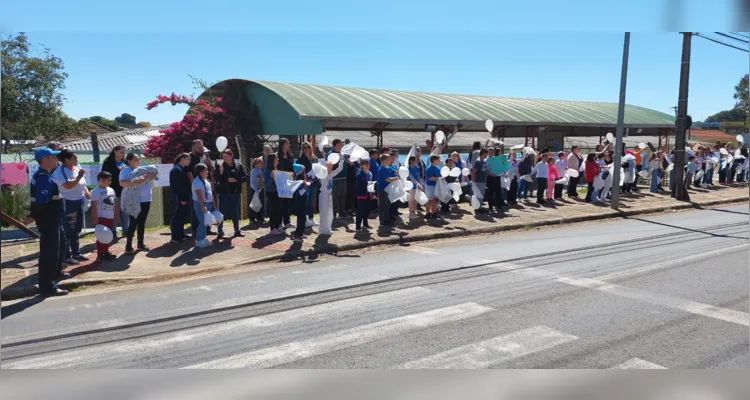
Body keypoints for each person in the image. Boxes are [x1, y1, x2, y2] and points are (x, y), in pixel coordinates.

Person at [31, 147, 69, 296]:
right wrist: (32, 216)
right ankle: (47, 287)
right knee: (49, 254)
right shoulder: (43, 177)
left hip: (53, 220)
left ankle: (54, 277)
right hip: (48, 221)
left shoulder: (47, 175)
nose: (56, 159)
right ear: (46, 159)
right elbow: (41, 202)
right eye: (53, 157)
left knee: (57, 250)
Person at [52, 149, 91, 265]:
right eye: (74, 158)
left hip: (78, 201)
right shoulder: (60, 171)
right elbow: (68, 185)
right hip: (67, 203)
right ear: (66, 160)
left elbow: (82, 183)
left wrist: (86, 191)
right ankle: (67, 255)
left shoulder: (76, 167)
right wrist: (79, 177)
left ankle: (76, 253)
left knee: (77, 228)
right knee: (69, 229)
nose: (77, 160)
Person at [120, 153, 156, 253]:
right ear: (129, 161)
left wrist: (147, 175)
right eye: (136, 159)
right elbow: (122, 183)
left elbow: (155, 175)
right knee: (133, 223)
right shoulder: (125, 170)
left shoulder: (143, 169)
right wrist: (136, 181)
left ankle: (140, 244)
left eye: (139, 159)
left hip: (146, 199)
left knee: (142, 222)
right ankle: (128, 246)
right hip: (134, 200)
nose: (138, 161)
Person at [215, 148, 247, 238]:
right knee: (221, 212)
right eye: (223, 157)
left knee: (235, 211)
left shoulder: (238, 165)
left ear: (231, 155)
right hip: (224, 192)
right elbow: (216, 178)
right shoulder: (220, 165)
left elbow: (245, 177)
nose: (225, 158)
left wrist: (236, 180)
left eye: (226, 156)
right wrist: (221, 174)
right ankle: (220, 232)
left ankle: (237, 230)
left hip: (235, 192)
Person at [187, 139, 215, 237]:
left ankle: (207, 229)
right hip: (197, 187)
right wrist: (195, 187)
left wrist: (207, 159)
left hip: (205, 186)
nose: (200, 149)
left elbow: (211, 168)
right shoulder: (189, 157)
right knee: (197, 210)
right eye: (198, 147)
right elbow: (189, 173)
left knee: (208, 207)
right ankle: (196, 230)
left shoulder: (203, 156)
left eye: (201, 147)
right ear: (193, 147)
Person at [90, 171, 119, 263]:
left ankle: (105, 251)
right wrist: (95, 218)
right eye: (108, 180)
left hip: (110, 216)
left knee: (108, 235)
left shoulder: (111, 190)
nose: (110, 182)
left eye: (110, 180)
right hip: (101, 217)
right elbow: (94, 206)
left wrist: (116, 215)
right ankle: (100, 254)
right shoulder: (95, 191)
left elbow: (114, 204)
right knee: (101, 236)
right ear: (101, 180)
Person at [101, 145, 128, 239]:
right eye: (121, 152)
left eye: (124, 152)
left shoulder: (125, 162)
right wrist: (119, 171)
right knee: (113, 212)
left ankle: (126, 231)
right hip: (113, 191)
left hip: (124, 190)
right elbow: (104, 176)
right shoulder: (108, 162)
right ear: (115, 151)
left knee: (124, 212)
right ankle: (113, 232)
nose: (123, 154)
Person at [320, 157, 347, 234]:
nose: (330, 168)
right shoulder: (322, 175)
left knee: (330, 213)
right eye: (328, 167)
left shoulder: (331, 174)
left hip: (329, 195)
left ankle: (328, 227)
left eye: (331, 167)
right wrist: (323, 158)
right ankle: (323, 229)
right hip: (324, 195)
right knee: (324, 212)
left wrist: (341, 160)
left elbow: (339, 169)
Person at [169, 153, 192, 242]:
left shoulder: (182, 169)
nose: (189, 161)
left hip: (183, 196)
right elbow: (179, 186)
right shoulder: (176, 170)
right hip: (178, 197)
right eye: (188, 159)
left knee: (182, 216)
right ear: (183, 159)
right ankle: (175, 236)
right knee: (177, 216)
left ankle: (181, 234)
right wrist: (182, 199)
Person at [192, 163, 215, 248]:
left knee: (206, 222)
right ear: (201, 172)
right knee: (202, 222)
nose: (207, 172)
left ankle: (204, 238)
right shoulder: (196, 182)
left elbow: (210, 193)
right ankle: (198, 240)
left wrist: (214, 204)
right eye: (206, 170)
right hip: (200, 204)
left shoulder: (206, 181)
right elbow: (199, 197)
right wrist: (203, 206)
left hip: (208, 203)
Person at [297, 142, 319, 228]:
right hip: (305, 184)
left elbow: (318, 171)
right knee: (305, 202)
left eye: (307, 147)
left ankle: (311, 218)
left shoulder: (315, 159)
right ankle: (305, 220)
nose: (306, 149)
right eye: (304, 148)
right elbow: (298, 173)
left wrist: (314, 180)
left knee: (311, 202)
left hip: (314, 183)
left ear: (310, 148)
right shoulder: (300, 159)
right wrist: (305, 180)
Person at [326, 139, 349, 220]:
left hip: (344, 178)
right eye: (340, 144)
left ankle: (342, 213)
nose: (342, 145)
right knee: (335, 196)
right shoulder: (330, 154)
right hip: (335, 179)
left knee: (343, 196)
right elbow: (329, 166)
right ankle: (334, 214)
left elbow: (346, 162)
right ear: (335, 145)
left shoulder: (343, 153)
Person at [277, 138, 295, 228]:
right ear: (282, 145)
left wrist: (292, 174)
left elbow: (292, 168)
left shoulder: (290, 156)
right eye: (287, 143)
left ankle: (287, 222)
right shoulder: (277, 156)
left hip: (288, 182)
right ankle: (279, 223)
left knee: (286, 203)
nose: (289, 145)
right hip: (279, 182)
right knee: (280, 203)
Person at [377, 153, 399, 226]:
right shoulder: (382, 169)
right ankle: (382, 221)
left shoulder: (387, 168)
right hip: (383, 190)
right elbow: (387, 179)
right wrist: (396, 178)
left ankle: (386, 219)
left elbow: (394, 172)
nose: (391, 160)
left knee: (387, 205)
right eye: (389, 159)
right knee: (383, 206)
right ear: (384, 160)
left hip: (388, 190)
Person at [264, 154, 283, 235]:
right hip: (271, 192)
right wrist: (271, 177)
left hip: (278, 192)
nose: (278, 160)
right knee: (273, 210)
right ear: (272, 160)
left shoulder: (276, 169)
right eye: (276, 158)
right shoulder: (267, 171)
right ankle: (272, 228)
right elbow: (266, 184)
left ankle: (278, 225)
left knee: (278, 209)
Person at [290, 164, 309, 242]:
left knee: (303, 217)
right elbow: (300, 193)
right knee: (301, 217)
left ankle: (300, 233)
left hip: (304, 199)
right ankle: (296, 234)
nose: (305, 172)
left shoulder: (302, 180)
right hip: (300, 200)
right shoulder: (298, 181)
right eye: (303, 170)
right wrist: (305, 187)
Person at [355, 159, 373, 231]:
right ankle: (358, 226)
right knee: (360, 211)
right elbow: (359, 185)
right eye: (365, 164)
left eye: (368, 164)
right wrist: (367, 185)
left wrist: (372, 191)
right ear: (362, 166)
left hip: (368, 193)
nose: (367, 166)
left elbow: (370, 182)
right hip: (361, 194)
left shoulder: (369, 173)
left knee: (367, 210)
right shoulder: (359, 174)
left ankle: (365, 223)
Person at [471, 149, 489, 213]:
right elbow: (473, 171)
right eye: (487, 154)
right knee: (478, 195)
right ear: (484, 153)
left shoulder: (483, 161)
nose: (487, 155)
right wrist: (473, 181)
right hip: (478, 181)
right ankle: (477, 208)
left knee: (481, 195)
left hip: (483, 181)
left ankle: (480, 207)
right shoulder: (478, 161)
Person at [249, 157, 265, 224]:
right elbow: (252, 182)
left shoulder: (260, 171)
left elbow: (261, 180)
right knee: (254, 204)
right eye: (261, 163)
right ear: (256, 164)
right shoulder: (253, 171)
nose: (262, 164)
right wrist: (256, 191)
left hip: (261, 189)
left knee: (260, 203)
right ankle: (252, 218)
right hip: (255, 190)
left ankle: (259, 217)